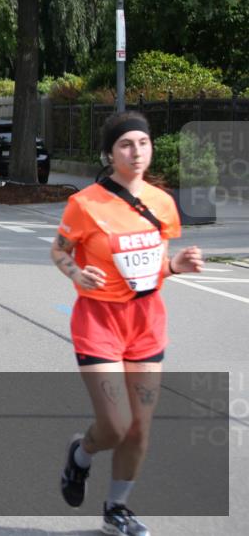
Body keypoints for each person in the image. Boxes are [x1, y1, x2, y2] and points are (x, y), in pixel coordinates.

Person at [52, 112, 203, 536]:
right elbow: (59, 251)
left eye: (143, 143)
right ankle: (81, 455)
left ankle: (116, 508)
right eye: (126, 145)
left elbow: (154, 267)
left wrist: (176, 265)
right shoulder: (85, 205)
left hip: (146, 324)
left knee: (139, 427)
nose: (137, 152)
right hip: (98, 322)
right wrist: (75, 273)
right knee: (115, 424)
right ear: (109, 153)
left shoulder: (162, 203)